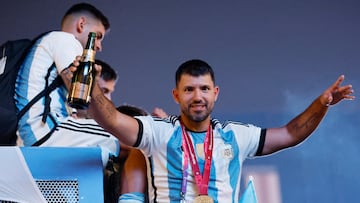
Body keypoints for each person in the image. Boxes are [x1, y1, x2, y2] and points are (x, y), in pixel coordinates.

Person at [82, 58, 354, 202]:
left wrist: (321, 105)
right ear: (176, 95)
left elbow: (290, 133)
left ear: (215, 93)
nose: (197, 96)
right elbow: (113, 121)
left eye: (204, 89)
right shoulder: (157, 133)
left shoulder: (236, 136)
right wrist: (91, 86)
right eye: (189, 90)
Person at [14, 3, 119, 167]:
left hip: (30, 134)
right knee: (120, 135)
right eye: (98, 36)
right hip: (45, 131)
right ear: (81, 24)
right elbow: (81, 93)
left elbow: (81, 104)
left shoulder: (49, 42)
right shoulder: (66, 40)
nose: (99, 46)